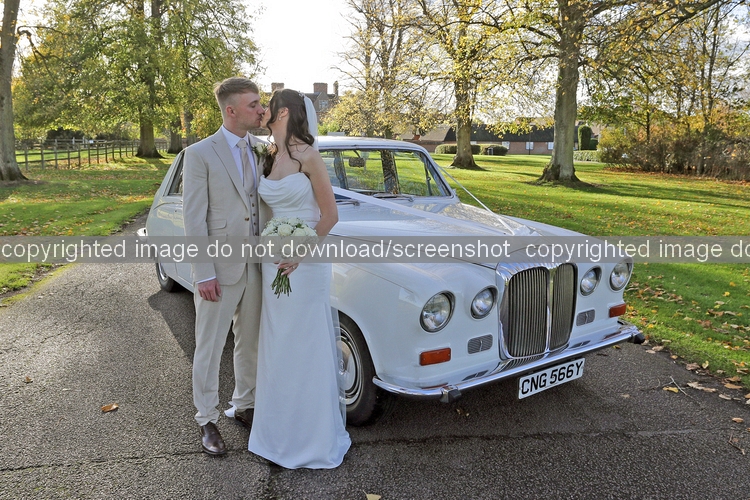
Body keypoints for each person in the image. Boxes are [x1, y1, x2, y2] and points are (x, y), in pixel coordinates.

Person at [249, 88, 351, 468]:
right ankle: (276, 433)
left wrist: (299, 253)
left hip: (305, 263)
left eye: (267, 106)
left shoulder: (309, 155)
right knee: (277, 344)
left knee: (304, 343)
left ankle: (310, 438)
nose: (262, 110)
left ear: (283, 112)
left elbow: (330, 215)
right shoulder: (269, 155)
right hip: (272, 259)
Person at [182, 77, 268, 455]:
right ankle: (206, 419)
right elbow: (193, 218)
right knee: (210, 345)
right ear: (231, 110)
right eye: (253, 104)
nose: (261, 110)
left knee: (250, 341)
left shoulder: (264, 150)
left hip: (257, 266)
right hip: (218, 267)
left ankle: (245, 405)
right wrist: (203, 271)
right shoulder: (200, 153)